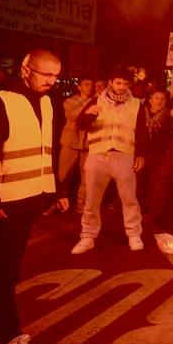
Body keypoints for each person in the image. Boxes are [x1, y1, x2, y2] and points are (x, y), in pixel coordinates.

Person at [0, 49, 70, 344]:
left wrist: (56, 190)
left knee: (4, 267)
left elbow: (47, 150)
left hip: (30, 197)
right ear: (26, 70)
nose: (51, 82)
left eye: (55, 76)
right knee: (6, 270)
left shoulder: (47, 102)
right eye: (45, 74)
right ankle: (10, 338)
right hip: (5, 201)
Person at [72, 69, 146, 254]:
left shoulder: (137, 104)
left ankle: (133, 234)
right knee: (91, 199)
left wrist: (141, 155)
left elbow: (142, 133)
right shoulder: (96, 100)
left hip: (124, 155)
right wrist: (88, 114)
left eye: (125, 84)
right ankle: (88, 236)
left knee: (129, 199)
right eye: (118, 83)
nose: (121, 87)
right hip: (98, 155)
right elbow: (79, 124)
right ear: (110, 82)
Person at [57, 77, 95, 214]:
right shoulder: (70, 101)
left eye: (91, 84)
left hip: (87, 143)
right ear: (79, 87)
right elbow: (75, 115)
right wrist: (91, 105)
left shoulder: (96, 102)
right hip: (70, 141)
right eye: (86, 84)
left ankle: (81, 205)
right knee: (63, 173)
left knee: (87, 176)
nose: (89, 87)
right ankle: (57, 202)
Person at [136, 88, 173, 205]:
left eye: (163, 99)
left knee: (155, 182)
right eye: (157, 98)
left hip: (159, 155)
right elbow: (137, 132)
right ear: (150, 100)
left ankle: (151, 208)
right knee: (139, 181)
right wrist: (138, 153)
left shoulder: (168, 115)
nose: (159, 101)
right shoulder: (141, 113)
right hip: (142, 153)